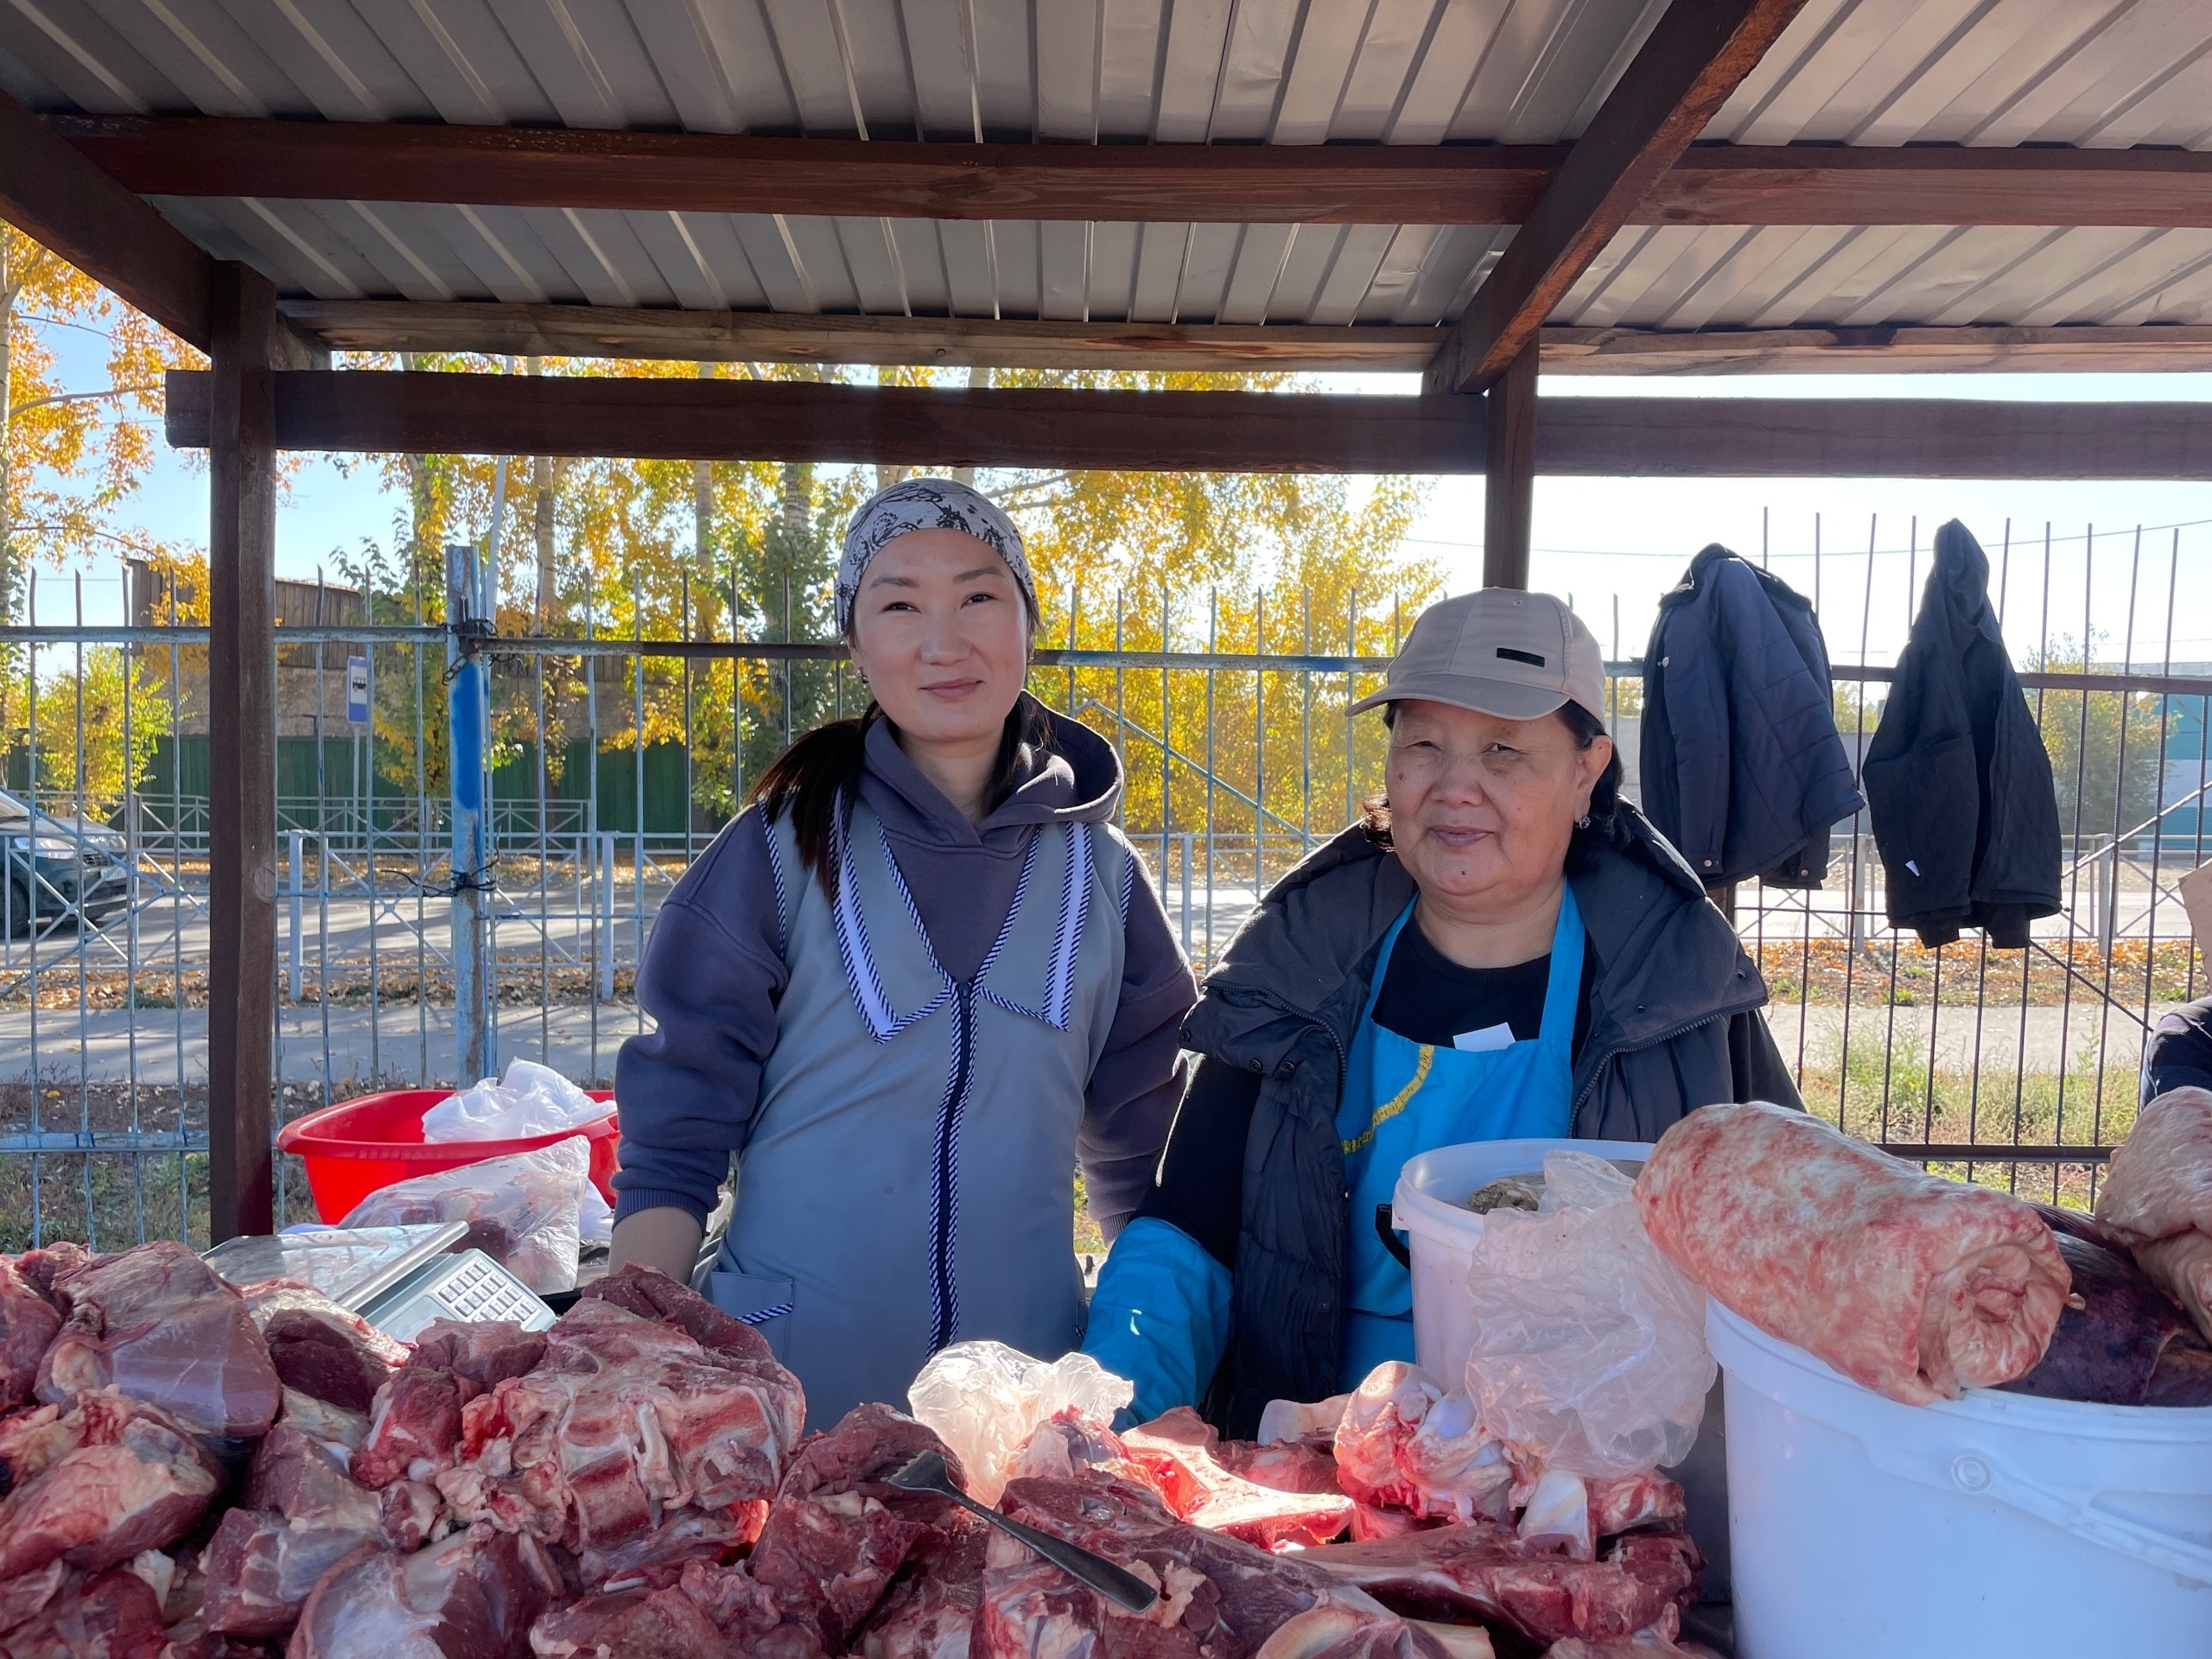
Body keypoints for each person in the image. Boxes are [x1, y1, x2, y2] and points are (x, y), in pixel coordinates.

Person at [1083, 588, 1802, 1436]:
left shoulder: (1679, 992)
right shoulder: (1294, 972)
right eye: (1422, 743)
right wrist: (1104, 1421)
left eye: (1503, 750)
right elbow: (1185, 1242)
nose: (1455, 786)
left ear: (1586, 772)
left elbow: (1787, 1253)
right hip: (1318, 1464)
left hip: (1580, 1492)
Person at [609, 478, 1196, 1425]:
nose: (942, 640)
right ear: (856, 642)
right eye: (898, 605)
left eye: (977, 596)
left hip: (1020, 1418)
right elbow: (674, 1144)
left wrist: (1149, 1368)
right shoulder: (775, 853)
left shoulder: (1108, 882)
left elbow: (1136, 1160)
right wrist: (618, 1353)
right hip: (781, 1409)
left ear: (1028, 622)